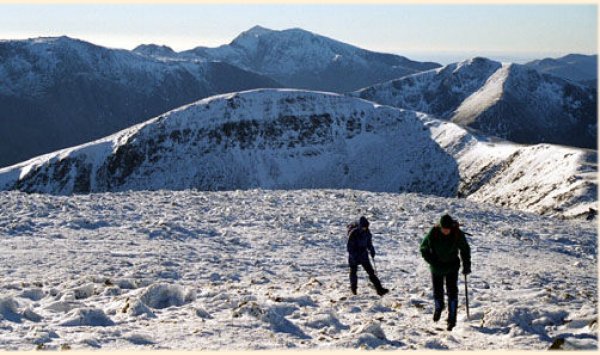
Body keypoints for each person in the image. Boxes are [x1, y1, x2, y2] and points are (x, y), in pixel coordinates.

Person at [420, 214, 471, 331]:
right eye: (444, 229)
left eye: (448, 229)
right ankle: (439, 308)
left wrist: (466, 265)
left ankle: (452, 319)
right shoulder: (433, 232)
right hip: (436, 267)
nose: (446, 231)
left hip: (452, 266)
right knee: (438, 291)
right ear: (440, 227)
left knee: (452, 292)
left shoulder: (457, 233)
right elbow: (423, 248)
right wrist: (432, 261)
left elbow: (465, 249)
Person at [347, 216, 389, 297]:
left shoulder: (367, 233)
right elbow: (349, 248)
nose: (365, 228)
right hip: (354, 256)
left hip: (363, 255)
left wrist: (372, 250)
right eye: (363, 227)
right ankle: (354, 289)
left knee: (371, 272)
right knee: (353, 272)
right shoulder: (353, 233)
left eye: (366, 227)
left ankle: (379, 289)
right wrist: (354, 256)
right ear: (360, 226)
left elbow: (369, 243)